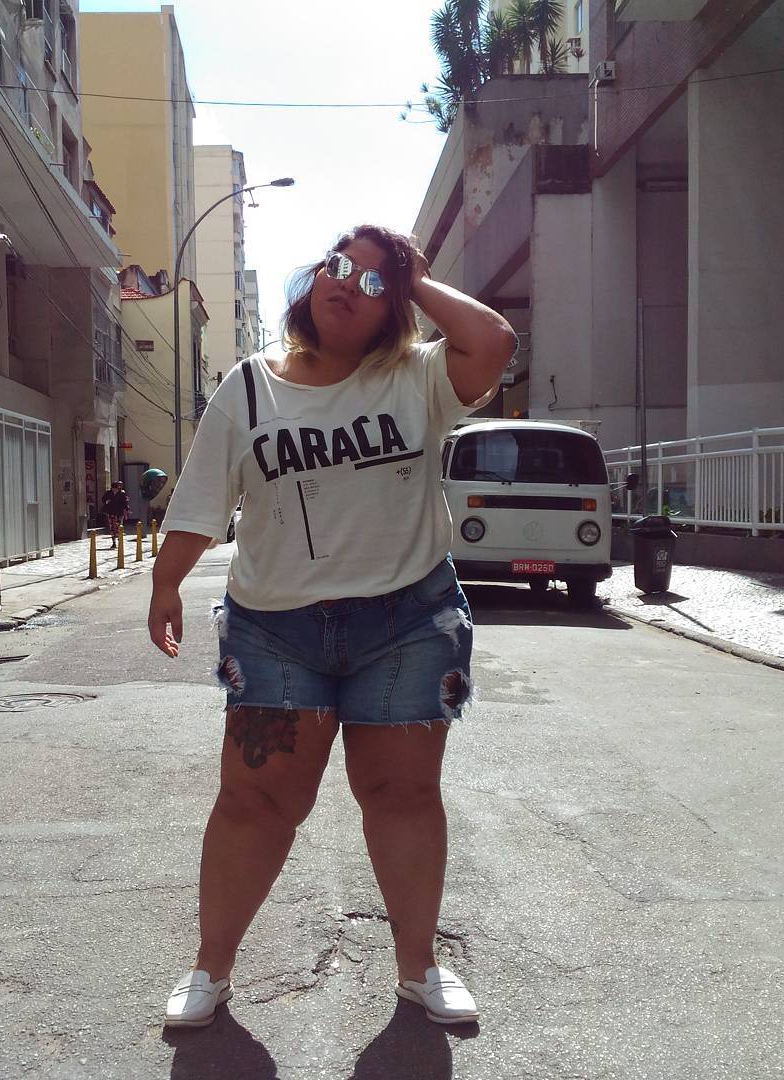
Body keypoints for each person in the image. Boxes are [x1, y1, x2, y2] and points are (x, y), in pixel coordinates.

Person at [148, 224, 515, 1028]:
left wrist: (415, 279)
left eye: (375, 283)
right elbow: (204, 494)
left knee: (402, 795)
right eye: (340, 266)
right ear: (316, 275)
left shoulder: (418, 377)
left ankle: (419, 970)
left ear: (396, 309)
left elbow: (492, 341)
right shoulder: (250, 387)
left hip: (407, 622)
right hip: (275, 630)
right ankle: (210, 969)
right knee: (255, 801)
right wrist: (165, 580)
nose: (348, 283)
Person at [101, 480, 129, 549]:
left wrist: (127, 509)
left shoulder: (122, 493)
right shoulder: (108, 493)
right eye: (114, 488)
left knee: (119, 527)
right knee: (112, 528)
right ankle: (114, 542)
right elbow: (103, 499)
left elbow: (125, 502)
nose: (115, 490)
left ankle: (120, 540)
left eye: (116, 488)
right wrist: (106, 501)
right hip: (111, 512)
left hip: (119, 513)